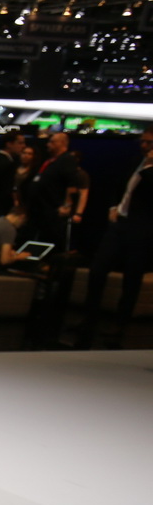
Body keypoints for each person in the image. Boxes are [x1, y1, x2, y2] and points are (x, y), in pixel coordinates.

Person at [78, 128, 153, 348]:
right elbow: (118, 186)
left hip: (142, 229)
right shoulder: (135, 161)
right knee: (97, 269)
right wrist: (113, 207)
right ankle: (89, 319)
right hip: (119, 223)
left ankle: (120, 323)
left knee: (132, 277)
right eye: (142, 142)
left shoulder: (148, 169)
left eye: (148, 143)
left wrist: (149, 167)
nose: (144, 146)